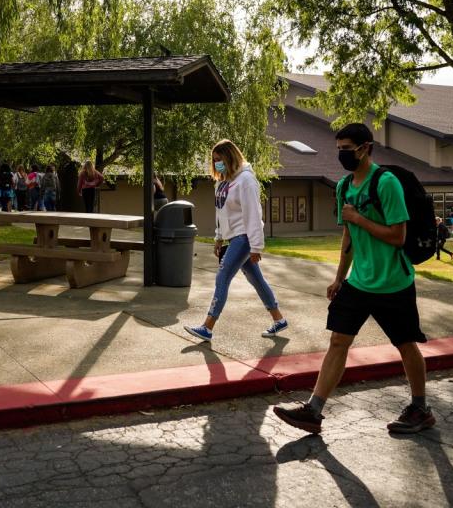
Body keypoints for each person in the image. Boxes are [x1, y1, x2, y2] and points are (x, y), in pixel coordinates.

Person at [273, 123, 435, 435]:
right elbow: (349, 235)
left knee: (405, 344)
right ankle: (314, 410)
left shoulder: (386, 184)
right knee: (338, 340)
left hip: (393, 282)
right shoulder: (344, 187)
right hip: (359, 281)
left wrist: (360, 218)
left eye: (347, 149)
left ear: (365, 148)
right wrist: (339, 278)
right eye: (339, 149)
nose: (342, 154)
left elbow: (399, 236)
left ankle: (420, 408)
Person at [183, 139, 288, 342]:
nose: (216, 164)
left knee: (222, 278)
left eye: (219, 159)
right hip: (233, 237)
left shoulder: (246, 180)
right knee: (256, 279)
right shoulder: (223, 182)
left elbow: (253, 214)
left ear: (230, 158)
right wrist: (219, 237)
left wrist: (256, 246)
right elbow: (221, 212)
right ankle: (279, 319)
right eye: (213, 161)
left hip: (244, 238)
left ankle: (207, 327)